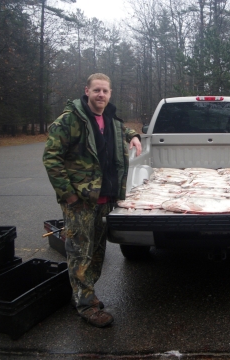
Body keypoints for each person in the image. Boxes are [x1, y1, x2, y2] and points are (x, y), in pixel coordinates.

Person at [43, 73, 142, 327]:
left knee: (97, 252)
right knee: (79, 252)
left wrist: (133, 135)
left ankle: (86, 294)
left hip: (105, 198)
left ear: (110, 94)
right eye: (96, 90)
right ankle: (86, 306)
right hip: (80, 201)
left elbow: (121, 127)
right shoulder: (69, 121)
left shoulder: (110, 118)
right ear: (86, 91)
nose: (101, 95)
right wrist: (69, 194)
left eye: (105, 91)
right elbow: (51, 159)